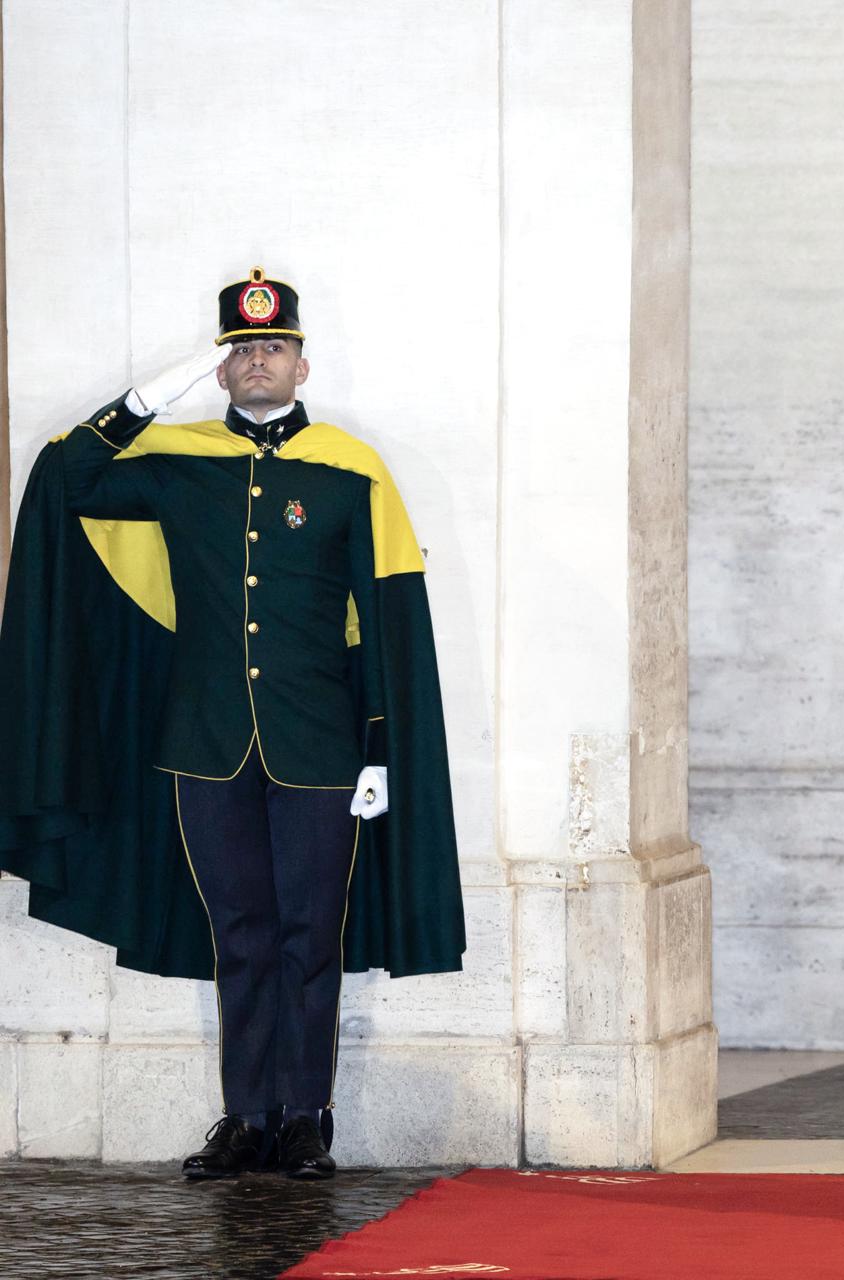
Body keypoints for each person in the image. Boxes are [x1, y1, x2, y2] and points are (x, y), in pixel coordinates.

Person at [0, 268, 465, 1180]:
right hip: (206, 746)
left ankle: (306, 1117)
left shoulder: (348, 470)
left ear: (301, 363)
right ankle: (244, 1116)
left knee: (309, 938)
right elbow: (66, 477)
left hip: (322, 750)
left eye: (274, 346)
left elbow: (386, 618)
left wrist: (379, 749)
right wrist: (144, 397)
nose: (259, 360)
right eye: (241, 349)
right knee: (240, 936)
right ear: (221, 372)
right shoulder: (178, 469)